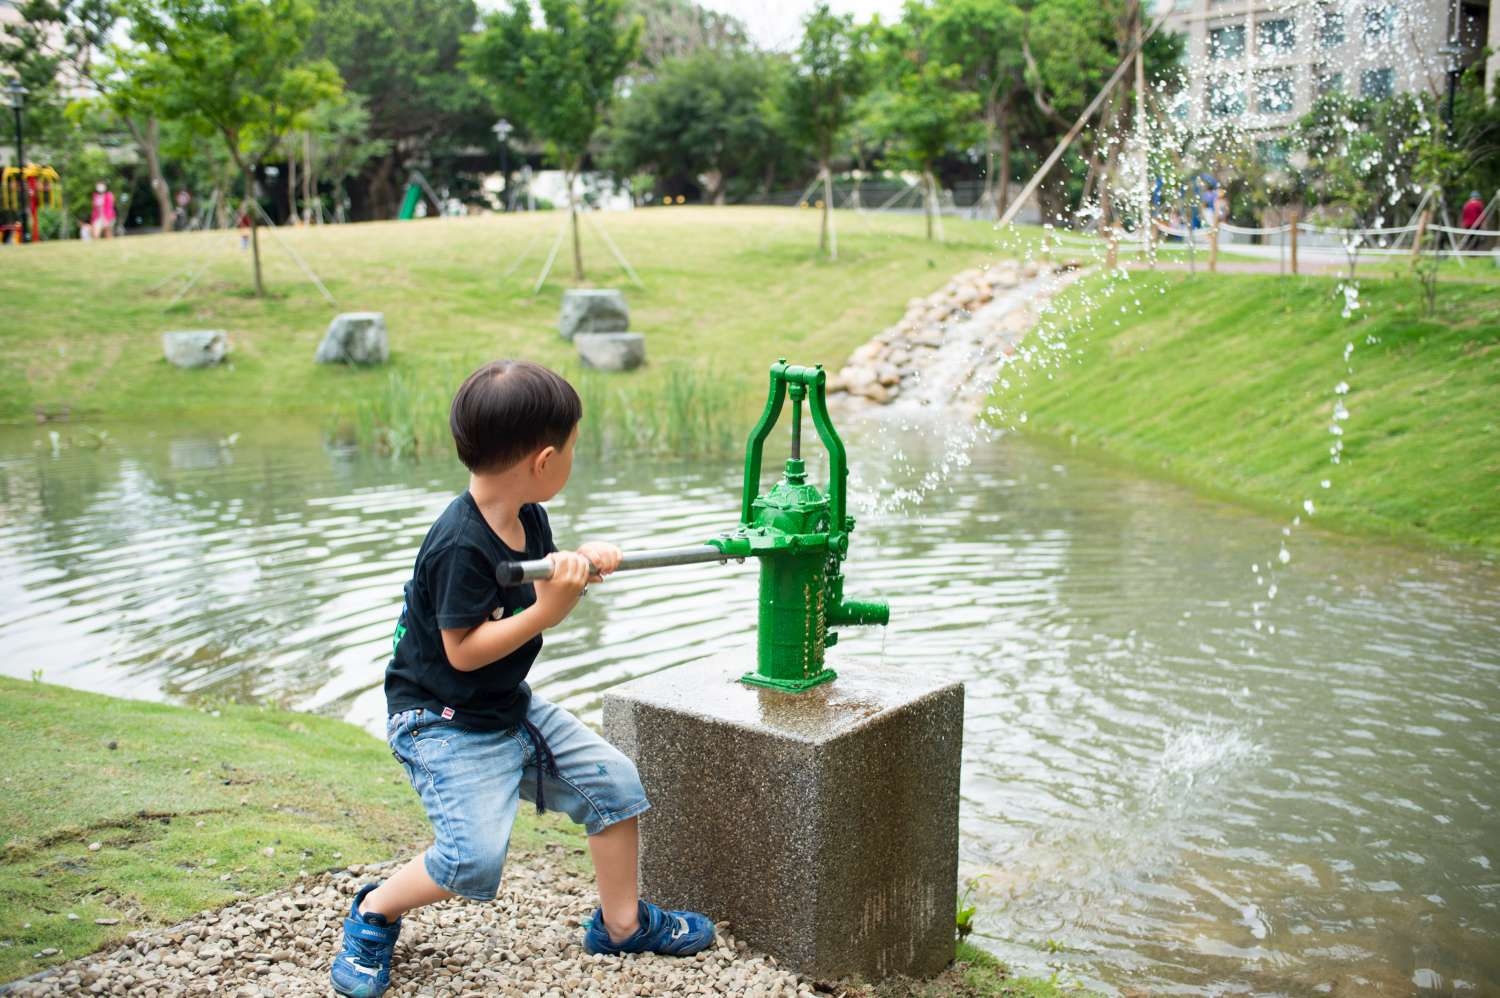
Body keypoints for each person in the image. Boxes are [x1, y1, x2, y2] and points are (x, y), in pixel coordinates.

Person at [329, 360, 716, 998]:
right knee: (469, 861)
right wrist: (548, 610)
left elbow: (543, 574)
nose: (572, 459)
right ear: (543, 461)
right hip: (440, 721)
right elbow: (462, 652)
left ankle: (621, 926)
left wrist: (582, 562)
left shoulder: (527, 514)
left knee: (614, 785)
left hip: (505, 705)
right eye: (571, 449)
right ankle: (374, 912)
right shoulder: (460, 544)